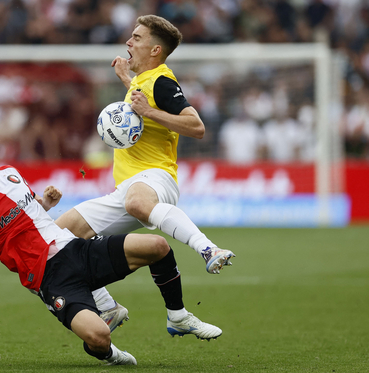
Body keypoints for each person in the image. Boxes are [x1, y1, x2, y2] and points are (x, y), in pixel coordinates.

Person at [0, 122, 223, 365]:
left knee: (157, 246)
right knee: (98, 337)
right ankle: (108, 354)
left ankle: (178, 316)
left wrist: (46, 202)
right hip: (51, 278)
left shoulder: (9, 174)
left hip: (77, 249)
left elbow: (28, 215)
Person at [55, 15, 236, 327]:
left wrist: (148, 109)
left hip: (156, 177)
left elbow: (197, 127)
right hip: (126, 186)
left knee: (137, 202)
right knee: (58, 238)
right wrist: (127, 81)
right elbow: (143, 105)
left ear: (155, 50)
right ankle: (107, 307)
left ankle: (207, 249)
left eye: (137, 38)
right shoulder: (142, 82)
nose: (129, 41)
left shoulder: (164, 82)